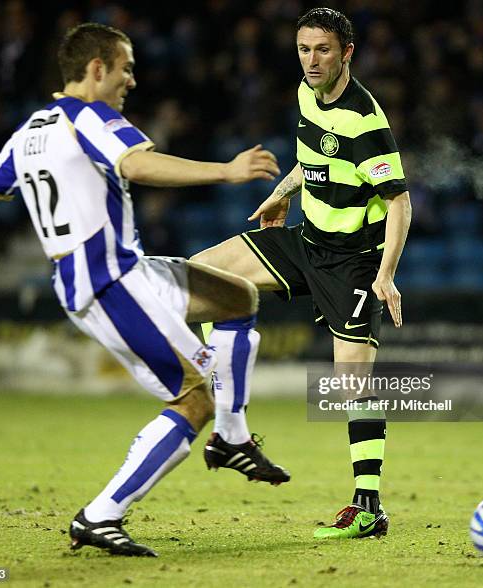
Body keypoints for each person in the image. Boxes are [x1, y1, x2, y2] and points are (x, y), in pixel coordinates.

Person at [0, 22, 289, 557]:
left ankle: (233, 437)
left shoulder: (29, 132)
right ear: (96, 69)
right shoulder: (90, 116)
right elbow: (135, 164)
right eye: (126, 67)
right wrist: (226, 171)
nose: (131, 79)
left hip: (123, 270)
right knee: (191, 398)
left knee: (236, 298)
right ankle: (101, 513)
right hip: (108, 281)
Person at [192, 8, 412, 540]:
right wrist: (280, 193)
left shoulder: (366, 121)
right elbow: (312, 158)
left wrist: (385, 274)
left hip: (354, 263)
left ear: (347, 54)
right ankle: (228, 420)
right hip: (306, 241)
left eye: (323, 51)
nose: (312, 61)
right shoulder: (304, 93)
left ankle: (367, 508)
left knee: (350, 386)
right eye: (304, 50)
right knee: (197, 278)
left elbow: (400, 202)